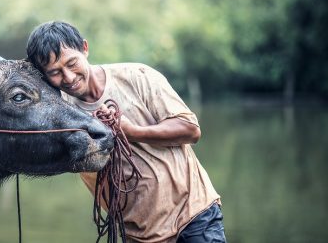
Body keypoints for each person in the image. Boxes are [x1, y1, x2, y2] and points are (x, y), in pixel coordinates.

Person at [26, 21, 226, 243]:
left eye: (72, 63)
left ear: (85, 48)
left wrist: (134, 132)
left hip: (192, 215)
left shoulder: (138, 76)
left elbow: (190, 130)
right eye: (55, 72)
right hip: (138, 232)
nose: (69, 77)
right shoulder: (60, 113)